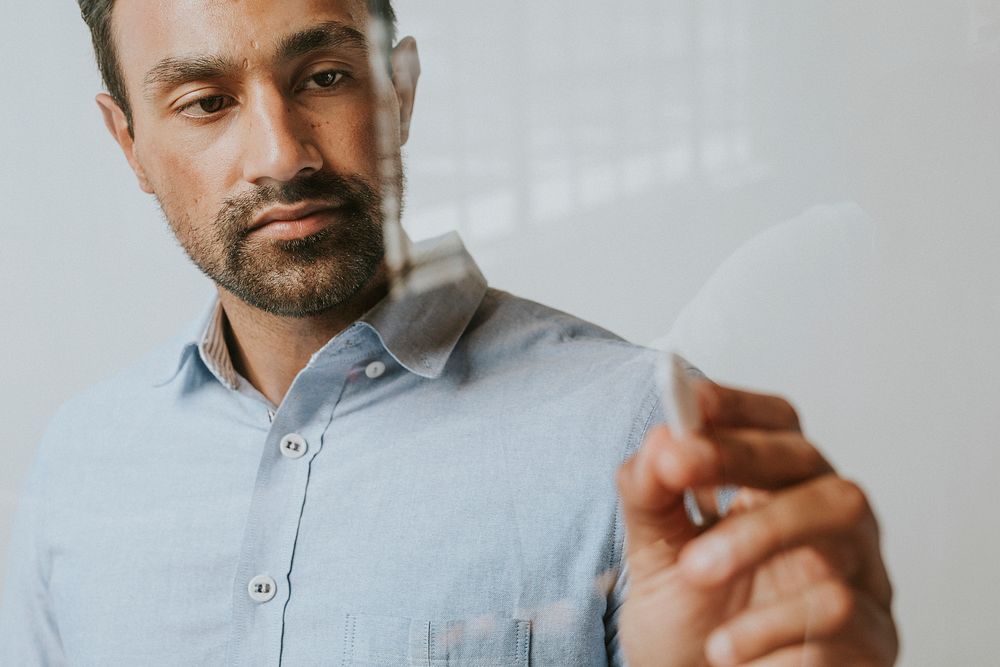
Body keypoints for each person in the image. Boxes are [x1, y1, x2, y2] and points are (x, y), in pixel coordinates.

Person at [0, 1, 898, 664]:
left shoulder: (641, 433)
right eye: (204, 100)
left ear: (400, 90)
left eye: (322, 77)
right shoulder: (80, 463)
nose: (282, 153)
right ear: (128, 145)